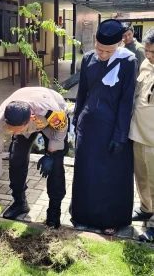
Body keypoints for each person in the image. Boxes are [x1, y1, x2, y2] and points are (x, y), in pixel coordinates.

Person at [71, 19, 138, 235]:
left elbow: (127, 101)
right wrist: (76, 118)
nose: (102, 54)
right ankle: (82, 215)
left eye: (107, 51)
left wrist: (120, 135)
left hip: (112, 128)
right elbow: (82, 92)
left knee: (110, 176)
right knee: (86, 172)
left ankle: (110, 219)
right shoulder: (89, 58)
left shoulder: (128, 61)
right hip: (88, 126)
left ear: (118, 45)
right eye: (99, 49)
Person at [0, 87, 69, 228]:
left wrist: (50, 154)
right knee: (16, 160)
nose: (15, 133)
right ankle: (20, 203)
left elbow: (61, 129)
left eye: (18, 130)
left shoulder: (51, 110)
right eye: (11, 130)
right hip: (28, 123)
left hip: (51, 124)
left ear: (31, 118)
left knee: (55, 167)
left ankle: (54, 212)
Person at [129, 27, 154, 242]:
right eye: (147, 51)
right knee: (142, 179)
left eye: (153, 52)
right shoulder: (145, 65)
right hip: (138, 134)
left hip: (153, 140)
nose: (149, 56)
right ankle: (146, 209)